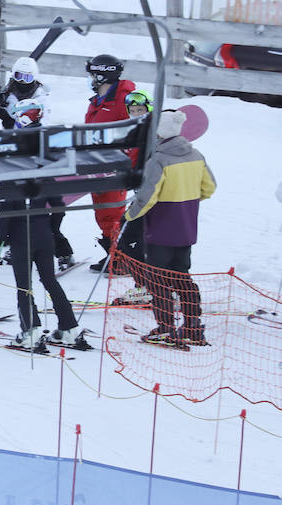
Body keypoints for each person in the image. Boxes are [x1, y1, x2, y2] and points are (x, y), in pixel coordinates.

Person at [0, 100, 86, 350]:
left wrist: (0, 237)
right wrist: (53, 229)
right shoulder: (45, 169)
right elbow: (58, 203)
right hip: (43, 231)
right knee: (50, 280)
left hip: (21, 235)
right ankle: (69, 327)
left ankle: (31, 331)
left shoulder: (11, 169)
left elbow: (5, 207)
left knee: (24, 285)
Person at [124, 108, 216, 346]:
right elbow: (209, 187)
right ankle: (193, 325)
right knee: (182, 275)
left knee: (157, 279)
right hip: (186, 227)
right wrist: (188, 202)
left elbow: (148, 197)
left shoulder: (159, 160)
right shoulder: (196, 155)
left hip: (161, 229)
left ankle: (165, 327)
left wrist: (130, 215)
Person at [0, 60, 74, 270]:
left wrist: (11, 119)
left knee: (42, 209)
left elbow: (37, 124)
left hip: (35, 157)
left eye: (28, 78)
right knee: (11, 203)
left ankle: (63, 251)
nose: (23, 82)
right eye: (19, 77)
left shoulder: (41, 98)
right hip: (11, 155)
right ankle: (14, 243)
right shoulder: (7, 93)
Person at [85, 54, 137, 271]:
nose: (89, 80)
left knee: (112, 213)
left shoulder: (123, 100)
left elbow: (135, 132)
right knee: (102, 212)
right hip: (97, 165)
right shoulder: (100, 100)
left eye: (91, 75)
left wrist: (128, 163)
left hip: (115, 167)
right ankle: (112, 254)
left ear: (100, 75)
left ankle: (123, 259)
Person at [111, 90, 154, 302]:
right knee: (131, 237)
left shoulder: (151, 132)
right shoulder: (133, 131)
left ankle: (149, 286)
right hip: (140, 196)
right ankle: (146, 285)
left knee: (130, 236)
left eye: (141, 110)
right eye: (133, 111)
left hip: (151, 198)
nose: (137, 114)